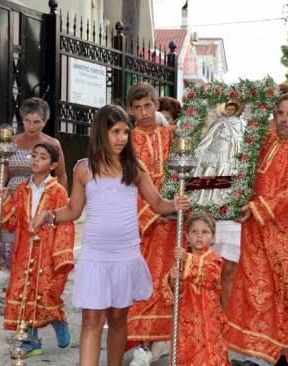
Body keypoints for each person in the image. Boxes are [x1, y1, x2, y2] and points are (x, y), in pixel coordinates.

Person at [30, 105, 189, 366]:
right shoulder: (84, 168)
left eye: (125, 132)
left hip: (125, 255)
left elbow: (158, 204)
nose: (122, 138)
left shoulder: (134, 167)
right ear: (101, 133)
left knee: (117, 319)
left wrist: (176, 204)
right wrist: (49, 215)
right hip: (95, 254)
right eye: (115, 132)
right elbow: (73, 210)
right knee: (92, 319)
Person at [226, 92, 288, 365]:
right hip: (257, 235)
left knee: (280, 301)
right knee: (255, 297)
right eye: (279, 113)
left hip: (287, 245)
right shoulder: (268, 141)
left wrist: (254, 209)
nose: (283, 119)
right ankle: (257, 356)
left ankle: (274, 356)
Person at [0, 143, 75, 358]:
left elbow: (65, 224)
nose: (36, 160)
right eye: (33, 155)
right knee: (24, 293)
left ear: (53, 165)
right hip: (23, 252)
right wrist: (2, 199)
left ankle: (58, 321)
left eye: (42, 157)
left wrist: (61, 256)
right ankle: (31, 341)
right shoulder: (20, 190)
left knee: (46, 294)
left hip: (46, 253)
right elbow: (9, 222)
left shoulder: (58, 192)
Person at [126, 83, 177, 363]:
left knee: (167, 280)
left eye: (148, 105)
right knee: (142, 283)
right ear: (131, 110)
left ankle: (161, 341)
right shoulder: (127, 140)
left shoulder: (174, 136)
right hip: (140, 223)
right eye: (137, 107)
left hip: (171, 225)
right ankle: (142, 344)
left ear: (157, 105)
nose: (144, 112)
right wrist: (150, 213)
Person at [0, 97, 67, 271]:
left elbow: (61, 175)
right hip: (12, 202)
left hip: (41, 202)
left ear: (45, 122)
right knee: (10, 241)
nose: (31, 126)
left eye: (36, 122)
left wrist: (62, 207)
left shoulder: (52, 144)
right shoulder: (11, 142)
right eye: (27, 121)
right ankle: (9, 283)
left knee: (37, 242)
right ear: (22, 119)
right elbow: (2, 173)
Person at [189, 100, 243, 310]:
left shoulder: (241, 127)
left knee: (229, 269)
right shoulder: (214, 126)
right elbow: (202, 150)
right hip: (209, 178)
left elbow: (243, 159)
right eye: (226, 108)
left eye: (232, 108)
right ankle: (205, 318)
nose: (229, 111)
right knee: (204, 267)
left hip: (230, 204)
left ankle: (224, 320)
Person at [163, 212, 229, 366]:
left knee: (208, 352)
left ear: (213, 237)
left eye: (205, 232)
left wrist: (187, 259)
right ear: (186, 236)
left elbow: (209, 277)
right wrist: (172, 278)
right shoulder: (180, 260)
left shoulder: (214, 258)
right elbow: (171, 291)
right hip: (185, 318)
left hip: (207, 317)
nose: (199, 236)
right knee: (186, 350)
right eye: (194, 232)